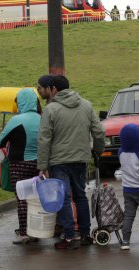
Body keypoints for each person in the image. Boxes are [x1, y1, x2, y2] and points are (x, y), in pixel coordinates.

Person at [37, 75, 105, 250]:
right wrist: (97, 151)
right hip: (81, 159)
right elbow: (98, 132)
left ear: (53, 89)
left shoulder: (51, 110)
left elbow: (44, 139)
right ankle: (85, 234)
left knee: (64, 198)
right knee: (80, 195)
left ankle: (69, 236)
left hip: (59, 161)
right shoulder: (86, 105)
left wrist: (42, 166)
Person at [0, 87, 41, 244]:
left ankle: (24, 233)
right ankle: (36, 230)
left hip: (19, 164)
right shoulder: (41, 118)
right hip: (39, 164)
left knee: (22, 198)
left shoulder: (17, 120)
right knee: (35, 198)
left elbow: (1, 141)